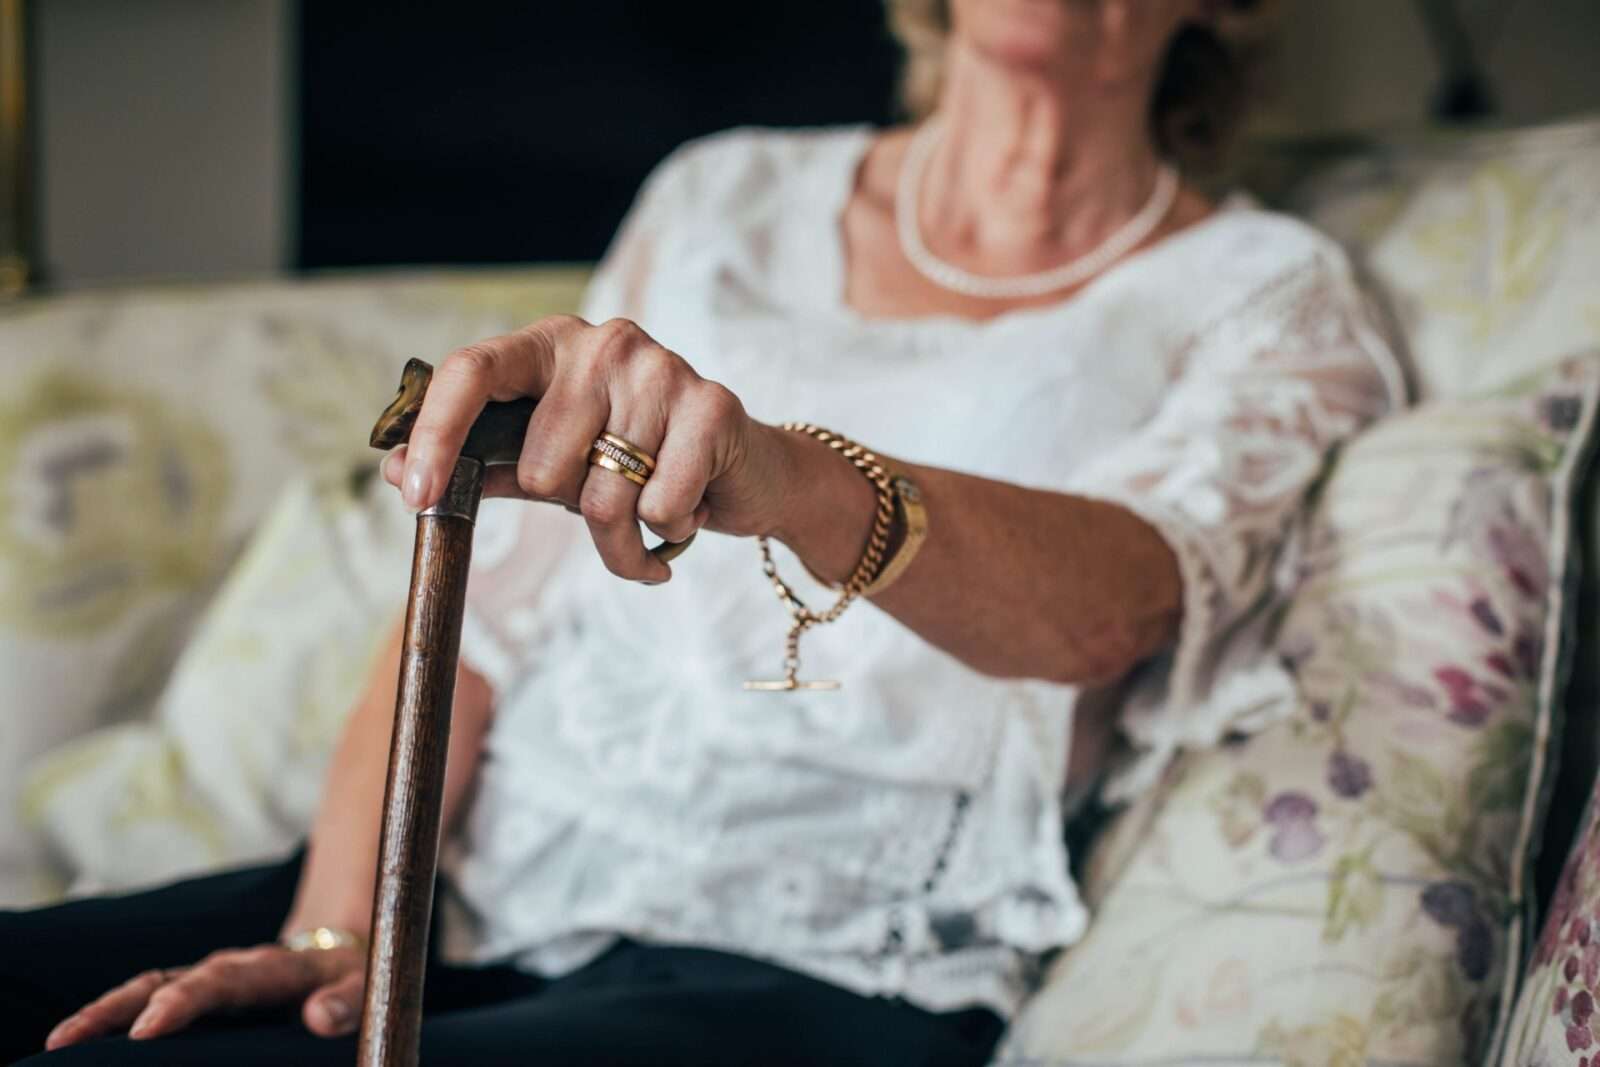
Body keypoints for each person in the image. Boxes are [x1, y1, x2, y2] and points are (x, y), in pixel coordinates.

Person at [2, 1, 1404, 1063]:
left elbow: (1115, 607)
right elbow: (488, 617)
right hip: (467, 881)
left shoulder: (1265, 288)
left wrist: (791, 479)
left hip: (807, 971)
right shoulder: (726, 192)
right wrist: (338, 925)